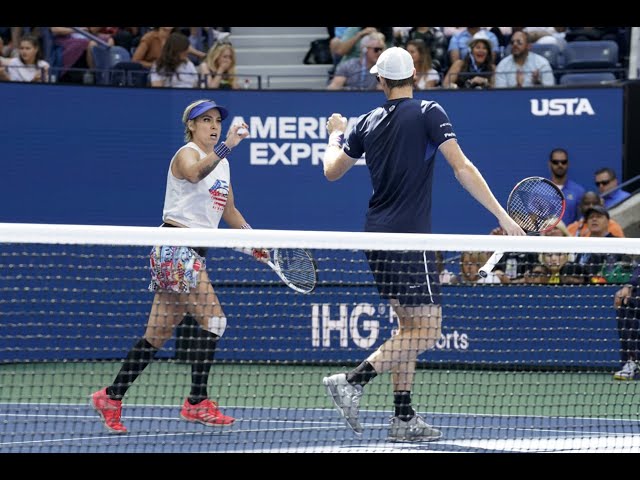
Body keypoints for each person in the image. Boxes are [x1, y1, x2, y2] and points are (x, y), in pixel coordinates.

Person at [319, 47, 525, 442]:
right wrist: (502, 216)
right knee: (428, 332)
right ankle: (353, 381)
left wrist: (334, 133)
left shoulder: (363, 123)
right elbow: (461, 167)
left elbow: (331, 171)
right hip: (409, 238)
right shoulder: (430, 111)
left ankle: (403, 416)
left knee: (407, 327)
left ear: (380, 80)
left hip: (375, 236)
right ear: (415, 76)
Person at [91, 99, 265, 434]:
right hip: (176, 247)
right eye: (206, 121)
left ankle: (111, 396)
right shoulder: (187, 153)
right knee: (215, 320)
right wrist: (229, 144)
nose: (213, 126)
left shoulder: (224, 167)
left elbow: (228, 212)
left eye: (217, 121)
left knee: (155, 335)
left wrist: (252, 240)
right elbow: (195, 173)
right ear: (191, 126)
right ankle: (197, 402)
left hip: (195, 251)